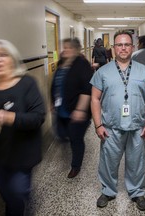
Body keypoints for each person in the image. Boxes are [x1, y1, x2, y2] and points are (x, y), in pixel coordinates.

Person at [90, 30, 145, 211]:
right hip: (111, 127)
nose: (123, 48)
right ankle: (108, 191)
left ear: (133, 47)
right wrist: (98, 124)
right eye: (119, 45)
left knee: (136, 162)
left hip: (137, 127)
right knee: (108, 162)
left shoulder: (144, 71)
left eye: (127, 44)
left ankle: (137, 192)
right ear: (113, 48)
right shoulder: (103, 72)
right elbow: (94, 99)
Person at [0, 39, 46, 216]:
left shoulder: (26, 84)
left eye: (2, 55)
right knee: (7, 195)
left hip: (23, 152)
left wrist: (9, 117)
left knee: (17, 194)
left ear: (12, 59)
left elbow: (38, 117)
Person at [61, 38, 94, 178]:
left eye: (68, 48)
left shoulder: (82, 65)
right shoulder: (62, 64)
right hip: (63, 109)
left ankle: (76, 166)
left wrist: (80, 110)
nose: (65, 50)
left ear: (75, 50)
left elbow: (87, 89)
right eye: (64, 47)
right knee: (66, 136)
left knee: (76, 138)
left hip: (78, 111)